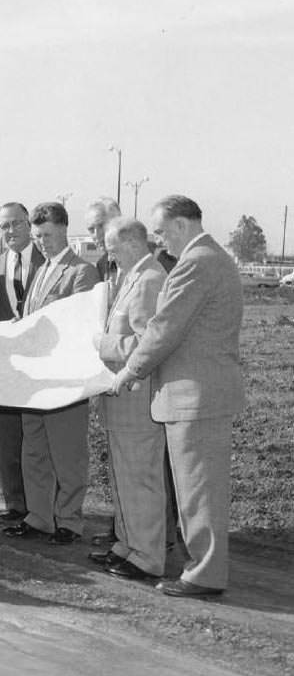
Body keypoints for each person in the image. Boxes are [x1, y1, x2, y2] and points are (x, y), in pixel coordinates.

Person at [110, 195, 243, 598]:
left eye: (162, 231)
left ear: (182, 225)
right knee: (196, 489)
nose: (159, 240)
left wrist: (131, 371)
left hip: (195, 396)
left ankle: (203, 574)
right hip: (201, 394)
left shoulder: (196, 262)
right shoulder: (212, 258)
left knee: (198, 491)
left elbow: (164, 328)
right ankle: (203, 568)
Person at [4, 201, 98, 544]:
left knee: (67, 454)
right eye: (37, 235)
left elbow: (80, 327)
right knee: (35, 452)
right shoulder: (41, 270)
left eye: (47, 234)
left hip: (66, 381)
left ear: (63, 229)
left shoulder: (82, 272)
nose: (41, 241)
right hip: (35, 380)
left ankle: (69, 520)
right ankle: (39, 516)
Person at [90, 218, 168, 580]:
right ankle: (126, 544)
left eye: (114, 249)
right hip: (122, 400)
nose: (110, 256)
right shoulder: (130, 278)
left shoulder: (150, 280)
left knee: (140, 479)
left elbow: (147, 343)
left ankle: (148, 556)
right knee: (123, 477)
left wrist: (101, 344)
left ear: (134, 244)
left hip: (137, 399)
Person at [0, 202, 45, 526]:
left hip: (40, 367)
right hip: (6, 368)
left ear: (29, 225)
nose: (10, 232)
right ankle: (16, 503)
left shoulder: (48, 262)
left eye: (16, 224)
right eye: (4, 226)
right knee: (7, 438)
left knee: (38, 441)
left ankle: (41, 505)